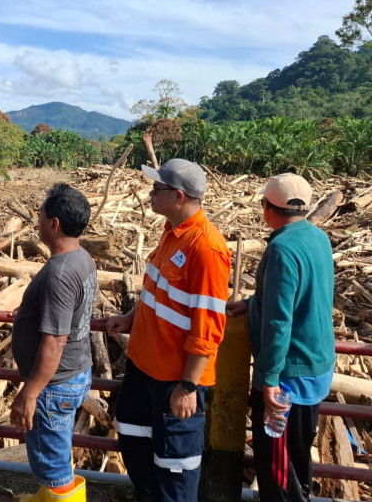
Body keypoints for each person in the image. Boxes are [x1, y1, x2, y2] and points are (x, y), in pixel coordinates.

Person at [105, 158, 231, 502]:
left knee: (175, 469)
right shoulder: (171, 233)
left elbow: (208, 326)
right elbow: (157, 290)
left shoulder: (205, 248)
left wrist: (188, 385)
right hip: (143, 368)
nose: (149, 194)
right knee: (138, 452)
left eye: (156, 189)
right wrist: (132, 317)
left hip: (174, 380)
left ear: (178, 196)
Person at [227, 173, 335, 502]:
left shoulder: (282, 249)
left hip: (288, 375)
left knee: (276, 469)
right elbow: (301, 295)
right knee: (298, 457)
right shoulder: (317, 238)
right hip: (316, 365)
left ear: (268, 207)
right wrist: (251, 304)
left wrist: (270, 378)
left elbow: (279, 321)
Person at [10, 183, 97, 502]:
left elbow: (55, 341)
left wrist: (29, 393)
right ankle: (46, 497)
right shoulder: (81, 257)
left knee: (53, 464)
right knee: (56, 451)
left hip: (54, 383)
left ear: (54, 224)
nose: (37, 222)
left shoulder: (60, 273)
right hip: (72, 373)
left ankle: (56, 495)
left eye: (41, 216)